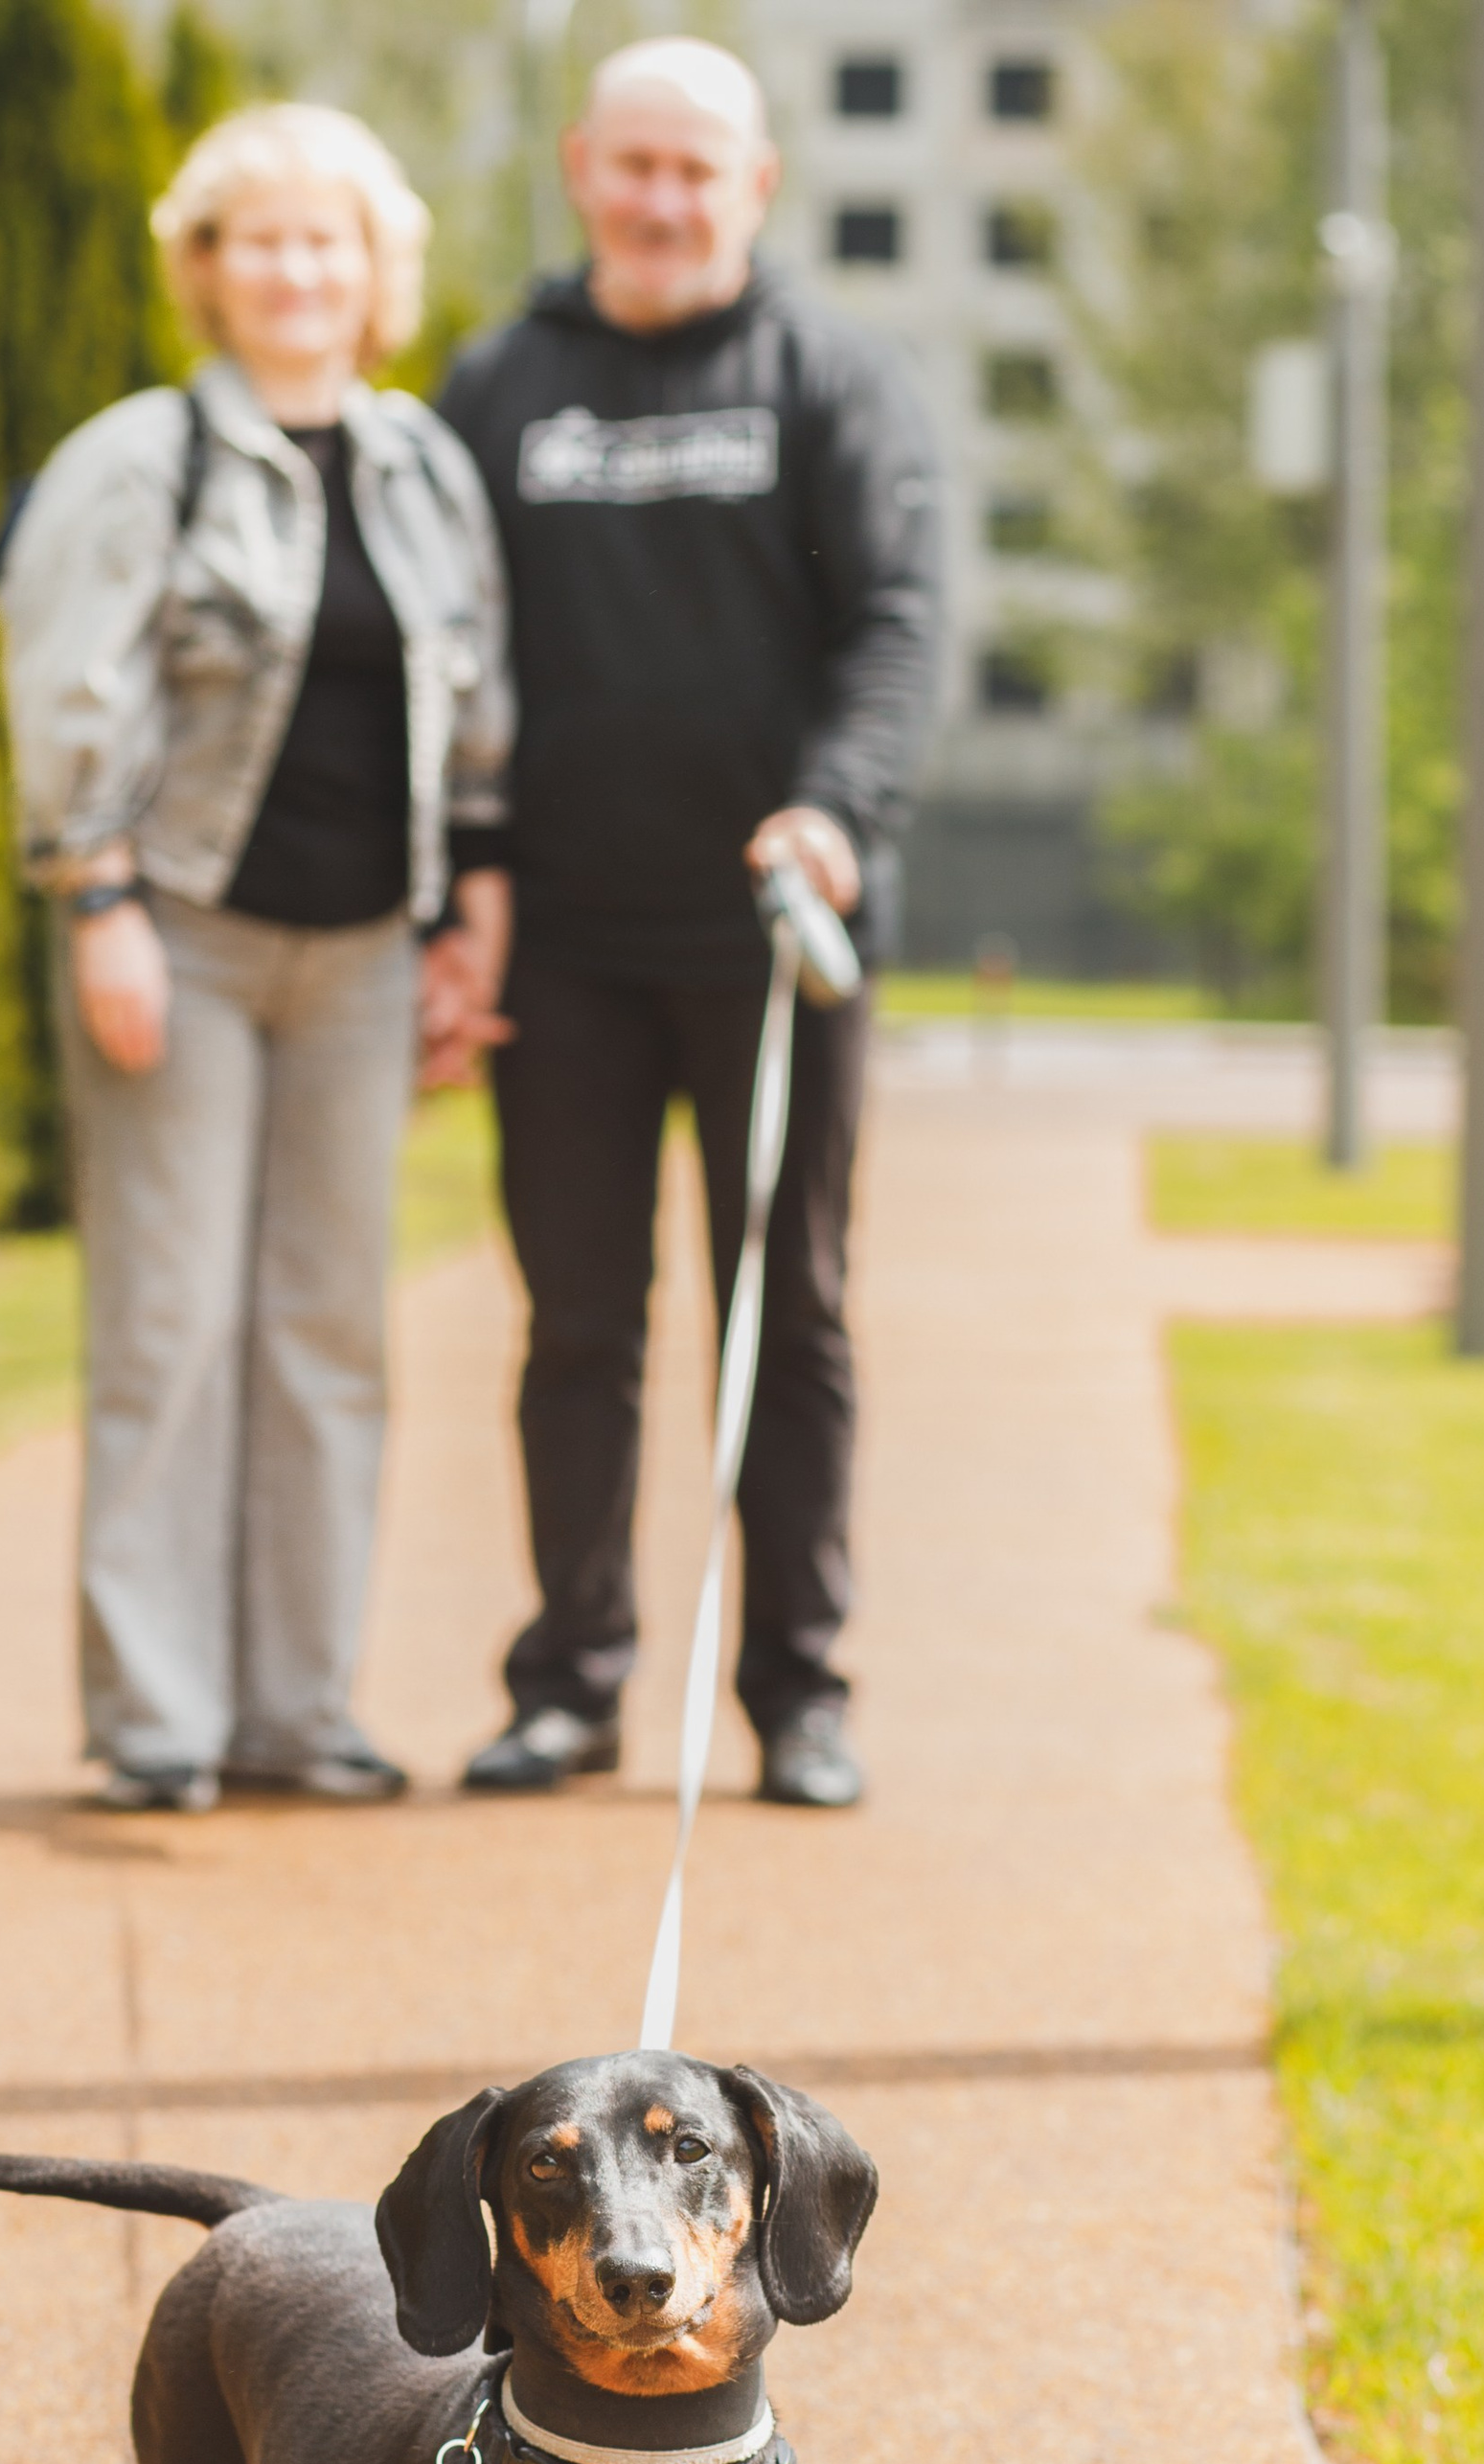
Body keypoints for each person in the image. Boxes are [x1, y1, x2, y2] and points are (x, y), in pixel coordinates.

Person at [437, 38, 941, 1810]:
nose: (661, 199)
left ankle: (798, 1695)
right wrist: (459, 900)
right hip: (563, 943)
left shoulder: (832, 381)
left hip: (771, 938)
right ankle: (569, 1682)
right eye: (633, 164)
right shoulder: (498, 383)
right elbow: (452, 660)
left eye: (697, 171)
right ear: (583, 166)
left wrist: (838, 807)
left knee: (782, 1315)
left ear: (757, 186)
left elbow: (894, 622)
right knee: (577, 1324)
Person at [0, 104, 514, 1812]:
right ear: (205, 269)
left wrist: (469, 911)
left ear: (378, 274)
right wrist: (98, 899)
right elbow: (72, 687)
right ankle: (157, 1719)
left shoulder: (424, 467)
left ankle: (300, 1708)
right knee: (170, 1324)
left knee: (327, 1332)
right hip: (187, 937)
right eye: (261, 237)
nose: (298, 267)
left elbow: (477, 715)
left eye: (330, 239)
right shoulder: (139, 460)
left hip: (363, 951)